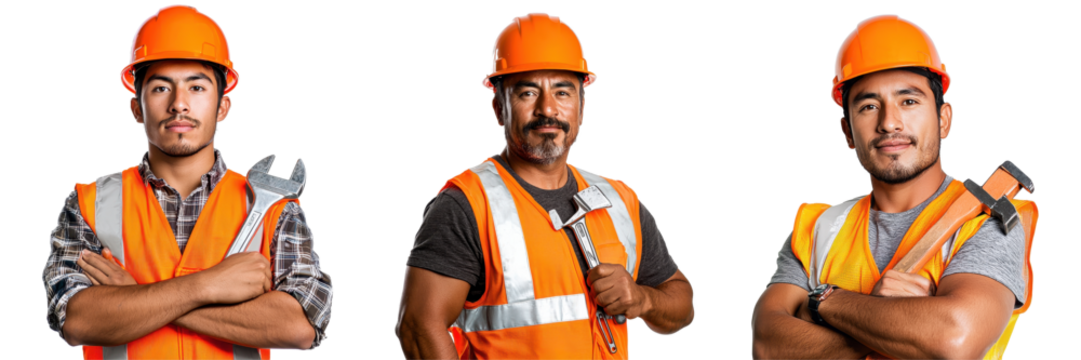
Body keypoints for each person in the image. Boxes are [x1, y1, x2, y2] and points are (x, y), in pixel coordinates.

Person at [393, 11, 696, 359]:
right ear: (498, 109)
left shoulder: (620, 200)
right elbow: (419, 328)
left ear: (582, 108)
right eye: (527, 92)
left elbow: (681, 304)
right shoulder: (466, 204)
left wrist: (643, 299)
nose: (547, 108)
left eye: (563, 92)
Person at [41, 5, 334, 358]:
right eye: (161, 88)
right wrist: (208, 285)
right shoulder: (88, 204)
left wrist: (138, 296)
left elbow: (300, 326)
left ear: (223, 106)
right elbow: (76, 319)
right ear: (136, 108)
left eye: (196, 87)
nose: (179, 104)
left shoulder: (274, 208)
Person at [749, 14, 1038, 359]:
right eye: (869, 106)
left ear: (944, 120)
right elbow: (767, 343)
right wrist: (896, 326)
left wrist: (825, 301)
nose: (889, 122)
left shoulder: (988, 222)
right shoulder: (818, 230)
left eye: (909, 101)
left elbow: (953, 339)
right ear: (846, 133)